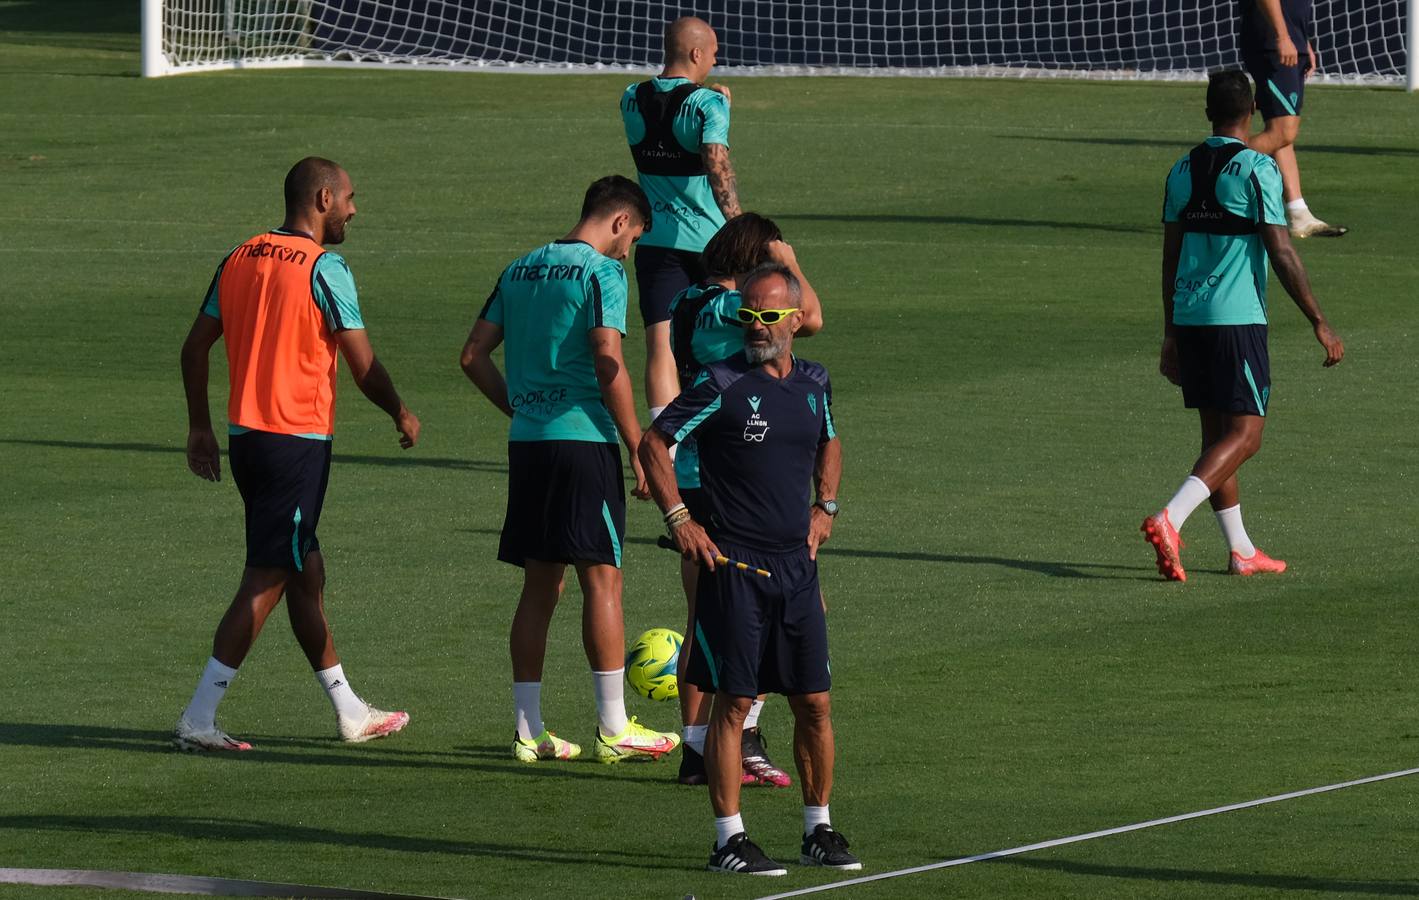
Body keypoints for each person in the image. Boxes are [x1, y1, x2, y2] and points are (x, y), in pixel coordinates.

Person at [175, 157, 420, 752]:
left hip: (246, 440)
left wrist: (200, 429)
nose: (354, 210)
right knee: (267, 576)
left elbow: (194, 347)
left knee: (304, 568)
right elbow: (362, 365)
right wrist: (400, 411)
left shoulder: (239, 256)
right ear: (322, 198)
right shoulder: (324, 268)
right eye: (350, 199)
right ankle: (198, 718)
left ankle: (349, 710)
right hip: (295, 444)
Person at [641, 264, 859, 876]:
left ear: (795, 319)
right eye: (747, 317)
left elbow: (831, 439)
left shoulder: (815, 382)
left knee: (814, 702)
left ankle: (818, 830)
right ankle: (728, 841)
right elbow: (653, 443)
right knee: (734, 703)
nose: (756, 328)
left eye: (767, 316)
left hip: (798, 569)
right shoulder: (720, 383)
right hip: (735, 567)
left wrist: (827, 505)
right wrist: (681, 518)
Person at [460, 175, 680, 764]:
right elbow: (608, 359)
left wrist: (518, 406)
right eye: (631, 237)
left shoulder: (519, 268)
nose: (628, 251)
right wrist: (638, 445)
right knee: (602, 578)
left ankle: (529, 732)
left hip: (528, 444)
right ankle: (614, 726)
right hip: (583, 444)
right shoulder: (602, 273)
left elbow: (472, 356)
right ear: (618, 221)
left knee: (540, 585)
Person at [1143, 71, 1344, 582]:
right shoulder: (1257, 169)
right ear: (1252, 109)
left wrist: (1170, 331)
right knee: (1247, 435)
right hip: (1236, 319)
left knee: (1217, 440)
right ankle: (1171, 517)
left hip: (1189, 317)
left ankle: (1241, 551)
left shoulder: (1181, 170)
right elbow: (1280, 249)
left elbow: (1170, 256)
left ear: (1206, 109)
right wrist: (1319, 321)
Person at [665, 213, 823, 789]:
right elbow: (811, 319)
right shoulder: (728, 308)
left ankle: (698, 748)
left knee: (705, 616)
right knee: (766, 611)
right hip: (724, 473)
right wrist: (792, 263)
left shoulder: (686, 302)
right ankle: (740, 736)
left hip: (691, 466)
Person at [620, 16, 741, 433]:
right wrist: (738, 225)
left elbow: (666, 118)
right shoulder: (708, 105)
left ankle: (665, 444)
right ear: (695, 53)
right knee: (726, 336)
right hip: (711, 243)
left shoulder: (630, 99)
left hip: (656, 243)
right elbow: (715, 162)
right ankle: (729, 429)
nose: (715, 59)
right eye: (712, 52)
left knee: (660, 344)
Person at [1239, 0, 1347, 237]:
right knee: (1283, 131)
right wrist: (1282, 36)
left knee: (1281, 132)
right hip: (1271, 42)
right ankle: (1210, 169)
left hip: (1288, 39)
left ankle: (1299, 214)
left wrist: (1301, 41)